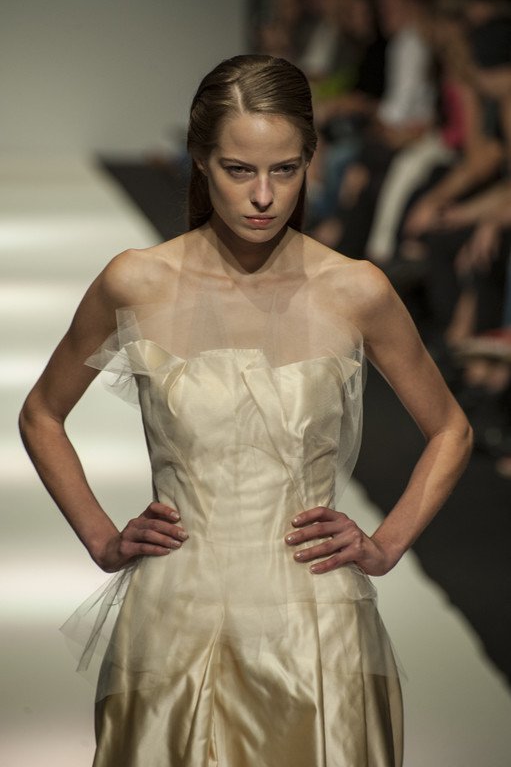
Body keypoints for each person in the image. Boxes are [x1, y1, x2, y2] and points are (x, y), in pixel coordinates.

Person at [19, 55, 472, 767]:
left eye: (285, 171)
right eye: (238, 170)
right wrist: (101, 538)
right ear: (199, 161)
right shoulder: (136, 281)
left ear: (310, 162)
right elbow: (42, 414)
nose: (263, 196)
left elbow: (450, 428)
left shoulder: (354, 290)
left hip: (316, 624)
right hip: (172, 616)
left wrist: (387, 544)